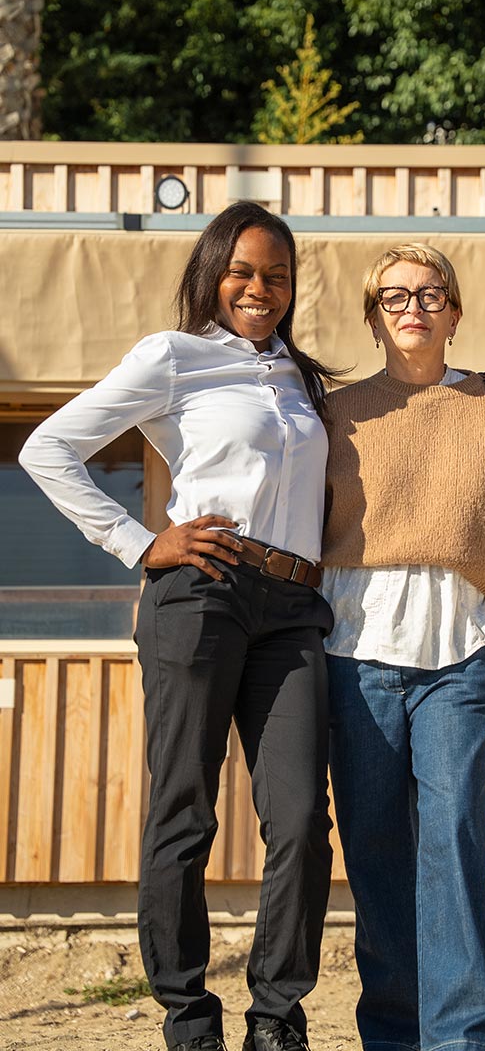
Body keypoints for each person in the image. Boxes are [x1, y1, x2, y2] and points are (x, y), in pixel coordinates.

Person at [19, 201, 339, 1051]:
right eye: (241, 272)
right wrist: (137, 540)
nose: (259, 289)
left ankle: (277, 1015)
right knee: (185, 810)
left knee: (303, 819)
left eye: (276, 275)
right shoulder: (175, 357)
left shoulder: (303, 379)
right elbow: (47, 448)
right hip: (203, 589)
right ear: (211, 274)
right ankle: (189, 1016)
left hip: (293, 608)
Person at [321, 243, 485, 1051]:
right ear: (373, 315)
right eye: (395, 296)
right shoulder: (336, 409)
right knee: (375, 850)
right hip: (355, 655)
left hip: (461, 655)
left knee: (454, 840)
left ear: (456, 312)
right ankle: (395, 1036)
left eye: (431, 294)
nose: (414, 307)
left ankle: (465, 1038)